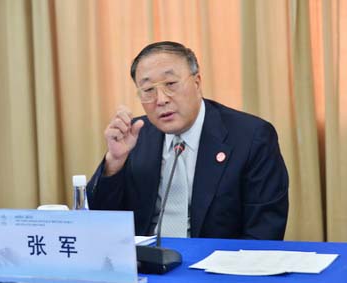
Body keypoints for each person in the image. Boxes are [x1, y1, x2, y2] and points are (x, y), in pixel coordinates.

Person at [87, 41, 288, 240]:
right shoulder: (134, 136)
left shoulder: (251, 137)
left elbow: (264, 232)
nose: (161, 99)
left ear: (197, 82)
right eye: (148, 90)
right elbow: (97, 224)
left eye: (171, 84)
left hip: (215, 265)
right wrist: (114, 163)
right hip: (145, 263)